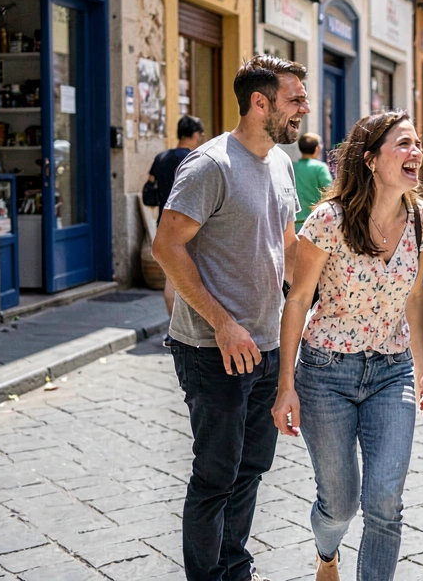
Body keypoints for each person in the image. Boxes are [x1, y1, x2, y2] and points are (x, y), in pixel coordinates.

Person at [153, 54, 310, 581]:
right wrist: (222, 322)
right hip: (210, 349)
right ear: (259, 103)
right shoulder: (210, 165)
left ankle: (234, 566)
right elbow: (166, 246)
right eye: (295, 99)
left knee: (251, 470)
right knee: (216, 475)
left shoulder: (282, 164)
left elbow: (285, 246)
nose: (304, 109)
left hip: (265, 347)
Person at [271, 110, 423, 581]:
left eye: (417, 144)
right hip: (326, 372)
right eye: (403, 145)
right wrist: (286, 385)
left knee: (385, 503)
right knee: (340, 503)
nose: (416, 153)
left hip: (392, 373)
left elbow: (414, 295)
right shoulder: (330, 220)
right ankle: (328, 556)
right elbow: (300, 298)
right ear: (371, 160)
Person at [146, 114, 205, 320]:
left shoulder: (161, 158)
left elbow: (148, 187)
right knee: (192, 278)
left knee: (171, 278)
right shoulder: (196, 159)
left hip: (164, 223)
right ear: (196, 135)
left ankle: (172, 328)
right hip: (191, 225)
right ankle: (182, 330)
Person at [294, 133, 334, 225]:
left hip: (294, 223)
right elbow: (329, 191)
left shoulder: (292, 166)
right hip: (314, 221)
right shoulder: (320, 168)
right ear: (317, 149)